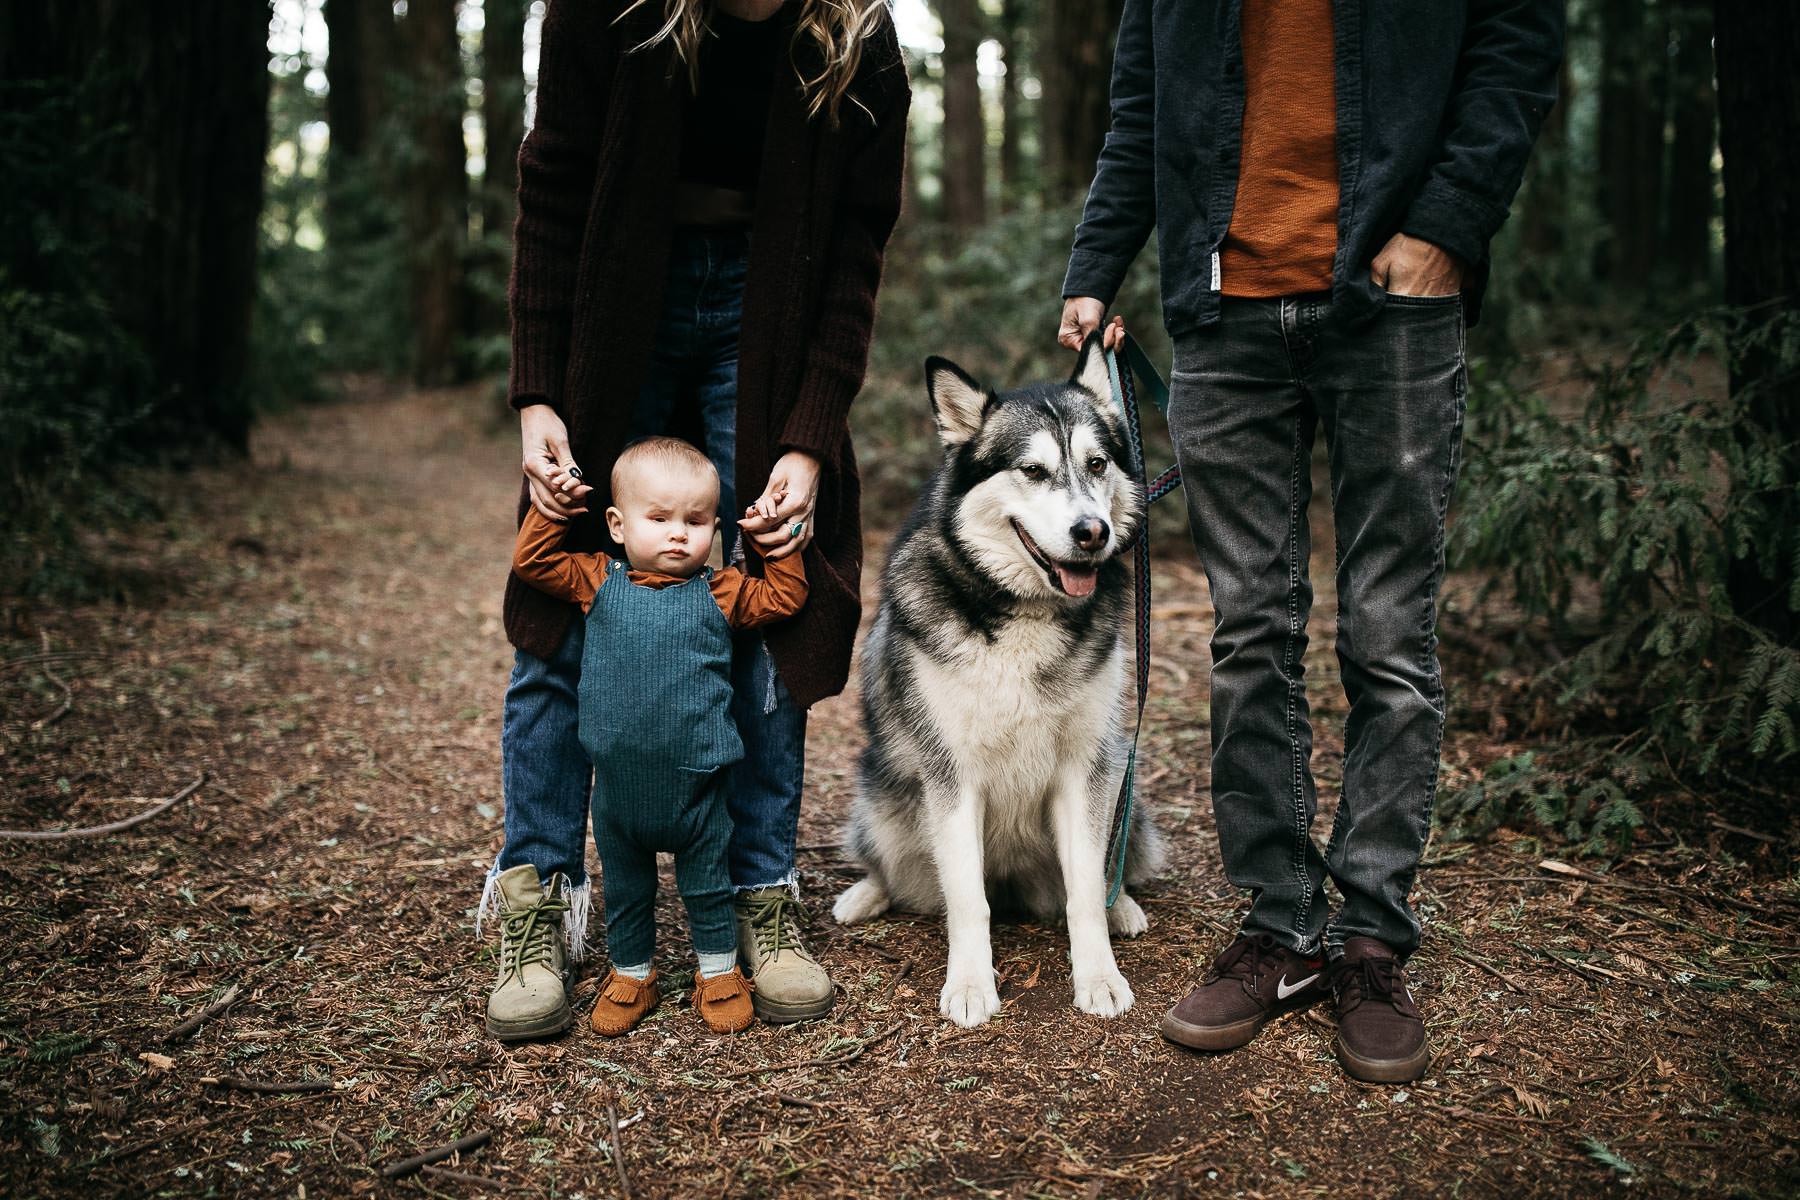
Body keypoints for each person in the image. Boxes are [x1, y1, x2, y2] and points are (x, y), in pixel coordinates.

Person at [1058, 0, 1562, 1082]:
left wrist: (1444, 231)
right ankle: (1281, 929)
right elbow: (1139, 111)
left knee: (1388, 635)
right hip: (1222, 314)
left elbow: (1515, 47)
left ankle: (1371, 941)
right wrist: (1096, 266)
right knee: (1249, 632)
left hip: (1397, 308)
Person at [481, 0, 909, 1040]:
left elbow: (856, 249)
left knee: (768, 584)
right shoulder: (615, 11)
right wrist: (539, 388)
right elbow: (552, 184)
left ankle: (760, 890)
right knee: (564, 592)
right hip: (618, 304)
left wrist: (808, 438)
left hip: (768, 316)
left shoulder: (858, 35)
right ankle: (540, 894)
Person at [496, 438, 808, 1038]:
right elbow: (533, 564)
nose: (676, 535)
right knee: (628, 886)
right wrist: (551, 511)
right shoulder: (595, 580)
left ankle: (717, 971)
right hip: (618, 793)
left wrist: (778, 544)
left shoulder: (722, 592)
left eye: (695, 522)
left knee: (708, 880)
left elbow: (786, 597)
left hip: (700, 789)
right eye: (658, 519)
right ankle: (632, 972)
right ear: (616, 524)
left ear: (714, 529)